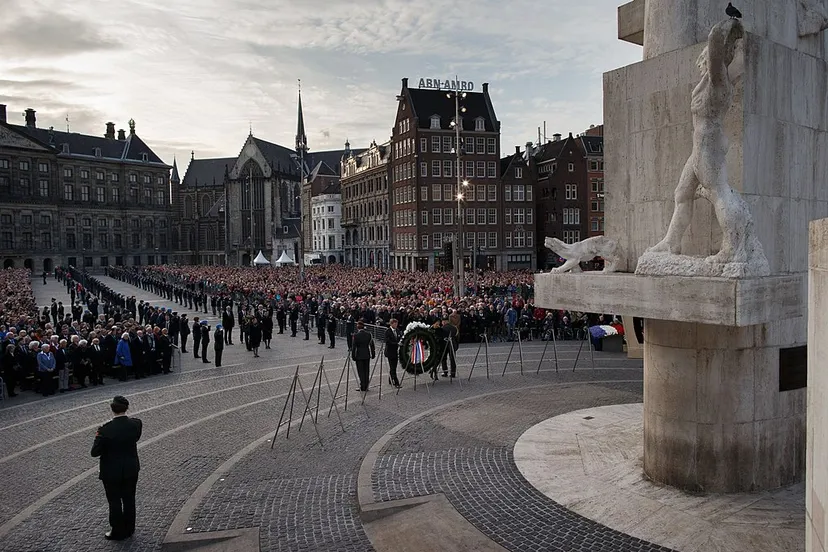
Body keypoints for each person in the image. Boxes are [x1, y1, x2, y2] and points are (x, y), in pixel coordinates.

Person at [91, 395, 142, 541]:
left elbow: (94, 452)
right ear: (127, 408)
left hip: (111, 470)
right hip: (131, 468)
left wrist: (98, 436)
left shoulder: (105, 430)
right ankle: (130, 528)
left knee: (114, 501)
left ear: (112, 409)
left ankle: (117, 530)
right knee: (129, 499)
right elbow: (136, 438)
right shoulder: (136, 424)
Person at [351, 321, 375, 392]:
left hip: (359, 355)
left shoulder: (356, 335)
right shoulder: (369, 334)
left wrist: (353, 356)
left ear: (357, 327)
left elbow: (354, 347)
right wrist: (373, 354)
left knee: (361, 371)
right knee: (366, 371)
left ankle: (362, 386)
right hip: (367, 354)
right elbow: (372, 345)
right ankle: (366, 386)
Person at [384, 318, 402, 388]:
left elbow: (400, 338)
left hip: (396, 351)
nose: (396, 325)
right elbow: (388, 341)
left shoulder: (397, 330)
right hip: (390, 352)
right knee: (392, 367)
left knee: (394, 366)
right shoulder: (387, 331)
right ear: (391, 324)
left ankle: (390, 379)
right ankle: (396, 382)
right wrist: (396, 344)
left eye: (397, 323)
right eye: (395, 324)